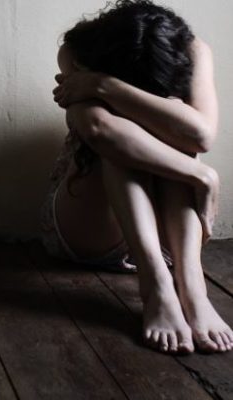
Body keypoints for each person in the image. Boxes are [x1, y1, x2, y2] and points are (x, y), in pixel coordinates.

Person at [40, 0, 232, 354]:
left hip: (168, 234)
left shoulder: (193, 50)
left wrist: (102, 86)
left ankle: (192, 288)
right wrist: (201, 174)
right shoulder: (78, 51)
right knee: (120, 144)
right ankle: (156, 285)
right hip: (90, 226)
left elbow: (201, 135)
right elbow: (97, 128)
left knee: (178, 131)